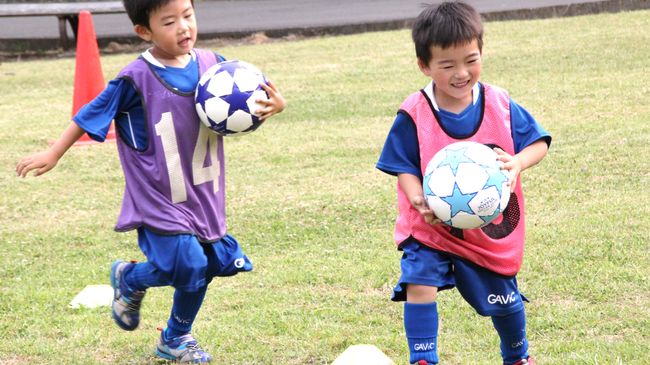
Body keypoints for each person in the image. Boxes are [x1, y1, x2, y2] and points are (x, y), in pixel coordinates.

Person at [16, 0, 286, 362]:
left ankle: (166, 326)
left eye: (188, 16)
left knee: (204, 264)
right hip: (158, 196)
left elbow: (251, 103)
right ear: (145, 31)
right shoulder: (136, 78)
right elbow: (90, 113)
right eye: (170, 22)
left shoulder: (216, 67)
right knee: (187, 263)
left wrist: (274, 106)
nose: (184, 28)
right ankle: (153, 305)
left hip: (203, 195)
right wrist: (54, 154)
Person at [376, 2, 551, 364]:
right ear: (425, 66)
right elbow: (403, 164)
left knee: (505, 301)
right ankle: (423, 357)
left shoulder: (500, 104)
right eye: (447, 65)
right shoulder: (415, 111)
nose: (461, 73)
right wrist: (417, 198)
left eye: (470, 60)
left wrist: (518, 162)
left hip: (488, 231)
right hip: (432, 227)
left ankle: (517, 356)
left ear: (481, 53)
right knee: (418, 281)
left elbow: (537, 142)